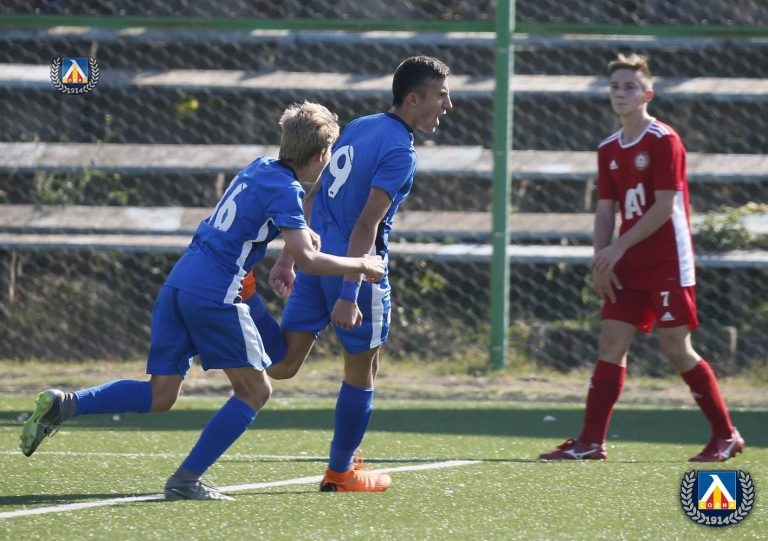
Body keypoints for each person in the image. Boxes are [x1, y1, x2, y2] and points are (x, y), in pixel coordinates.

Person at [19, 101, 386, 500]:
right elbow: (310, 260)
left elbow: (260, 225)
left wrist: (289, 251)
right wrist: (362, 264)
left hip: (180, 282)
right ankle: (185, 480)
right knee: (255, 392)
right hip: (215, 294)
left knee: (160, 395)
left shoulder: (259, 168)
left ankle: (66, 404)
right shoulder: (287, 189)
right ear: (320, 155)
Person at [242, 55, 452, 491]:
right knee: (362, 372)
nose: (447, 106)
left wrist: (289, 256)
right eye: (441, 96)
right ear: (413, 100)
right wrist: (350, 293)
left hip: (317, 260)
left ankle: (245, 299)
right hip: (356, 269)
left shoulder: (359, 126)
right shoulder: (400, 151)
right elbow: (365, 226)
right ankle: (341, 472)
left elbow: (314, 192)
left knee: (282, 363)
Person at [539, 53, 745, 462]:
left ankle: (726, 435)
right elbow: (605, 210)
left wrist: (617, 247)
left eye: (630, 86)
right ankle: (590, 442)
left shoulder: (664, 140)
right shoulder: (608, 148)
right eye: (615, 86)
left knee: (676, 348)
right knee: (611, 341)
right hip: (627, 262)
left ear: (647, 94)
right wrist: (602, 259)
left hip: (667, 259)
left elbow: (664, 206)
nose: (621, 93)